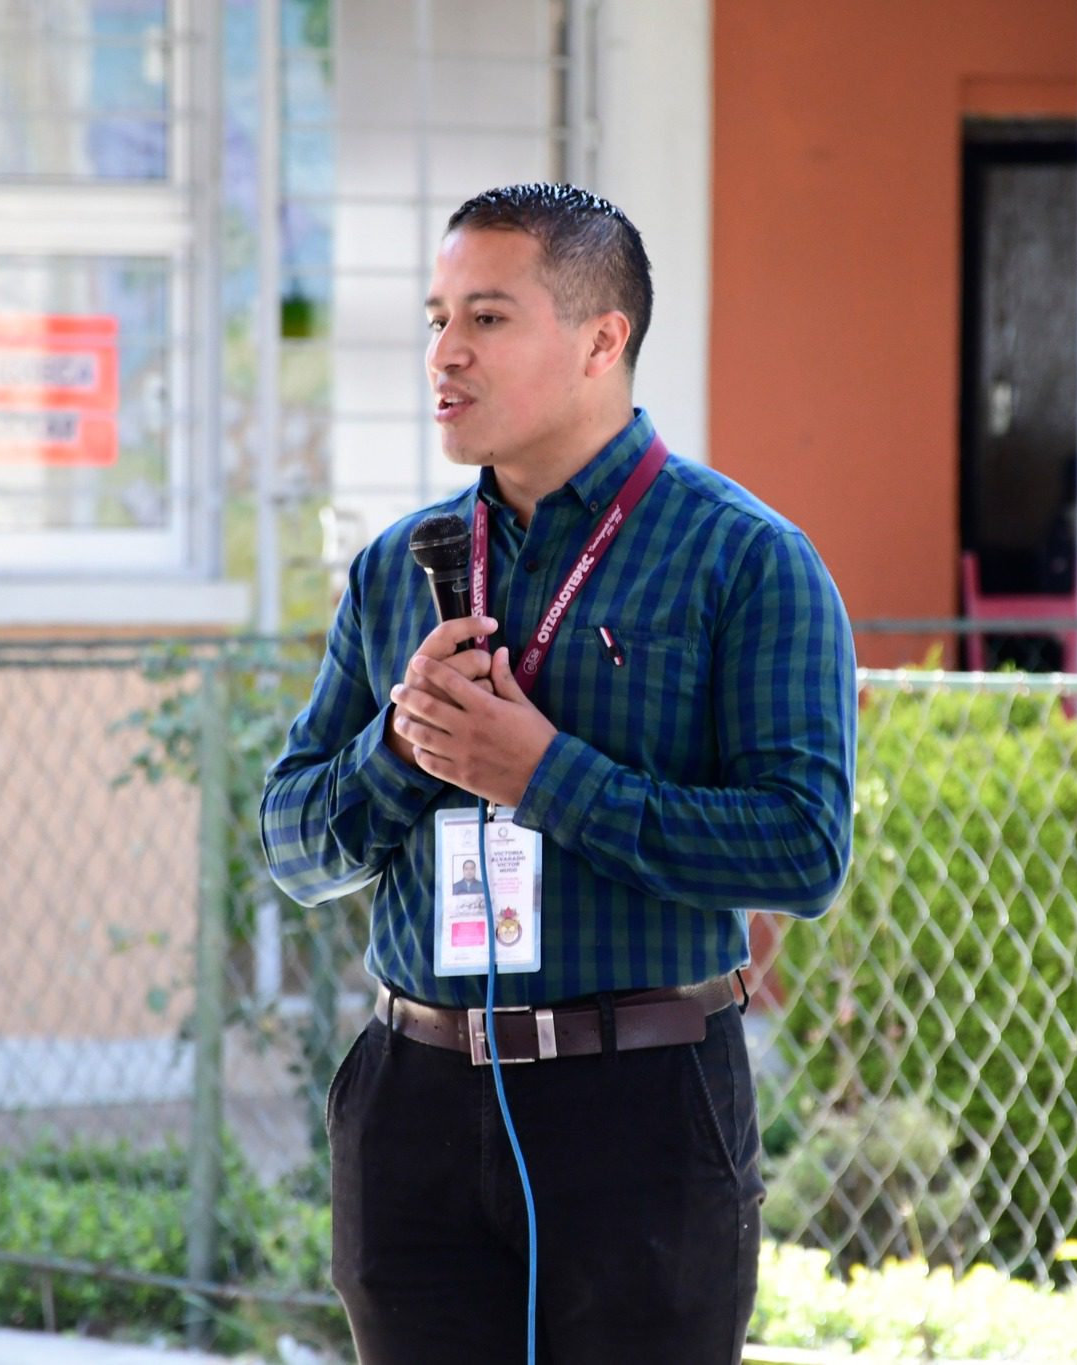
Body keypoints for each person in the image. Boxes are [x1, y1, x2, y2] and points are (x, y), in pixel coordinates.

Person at [260, 183, 856, 1363]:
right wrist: (402, 747)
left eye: (486, 319)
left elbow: (802, 850)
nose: (443, 354)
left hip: (637, 1107)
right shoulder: (396, 569)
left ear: (600, 340)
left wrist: (541, 775)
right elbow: (291, 842)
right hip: (412, 1100)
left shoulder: (745, 560)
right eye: (436, 318)